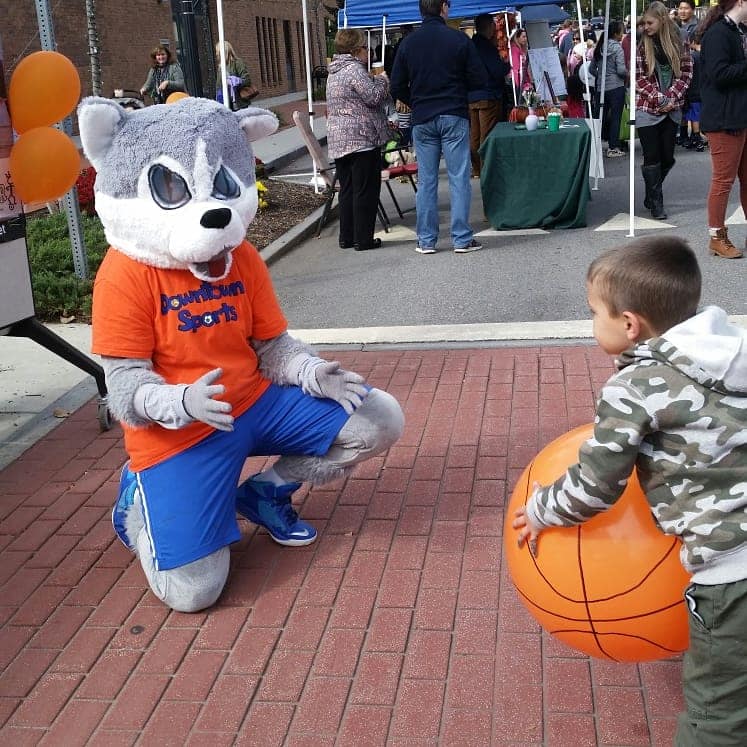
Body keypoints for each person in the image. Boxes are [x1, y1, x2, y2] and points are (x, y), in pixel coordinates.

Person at [512, 235, 747, 747]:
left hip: (733, 575)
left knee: (717, 718)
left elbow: (597, 484)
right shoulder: (735, 351)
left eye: (593, 311)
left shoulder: (636, 387)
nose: (591, 322)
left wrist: (542, 509)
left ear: (628, 323)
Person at [390, 0, 488, 255]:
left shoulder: (408, 44)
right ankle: (461, 238)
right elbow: (479, 77)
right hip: (453, 112)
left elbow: (396, 84)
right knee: (458, 177)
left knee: (427, 181)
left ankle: (426, 239)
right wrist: (460, 94)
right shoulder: (458, 39)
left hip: (423, 116)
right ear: (444, 7)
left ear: (421, 10)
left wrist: (416, 102)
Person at [326, 28, 390, 252]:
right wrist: (382, 80)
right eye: (365, 48)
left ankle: (347, 236)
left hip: (339, 139)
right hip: (361, 139)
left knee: (347, 189)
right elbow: (373, 97)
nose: (368, 52)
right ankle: (363, 239)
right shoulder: (354, 69)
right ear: (355, 50)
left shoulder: (334, 71)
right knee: (365, 190)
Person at [698, 0, 747, 259]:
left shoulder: (737, 31)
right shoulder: (718, 33)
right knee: (723, 181)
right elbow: (719, 74)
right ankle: (717, 236)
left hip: (739, 116)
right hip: (723, 119)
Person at [635, 1, 693, 220]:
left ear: (661, 20)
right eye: (643, 23)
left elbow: (686, 73)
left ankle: (651, 192)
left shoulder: (680, 43)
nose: (645, 27)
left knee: (668, 157)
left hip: (672, 107)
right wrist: (660, 98)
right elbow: (638, 77)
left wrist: (671, 97)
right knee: (652, 156)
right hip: (647, 108)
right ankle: (657, 203)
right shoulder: (642, 45)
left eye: (649, 23)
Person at [468, 13, 511, 178]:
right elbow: (496, 70)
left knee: (475, 135)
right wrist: (506, 67)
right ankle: (486, 170)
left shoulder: (470, 44)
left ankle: (477, 169)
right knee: (486, 135)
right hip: (488, 94)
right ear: (490, 27)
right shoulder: (485, 46)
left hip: (471, 96)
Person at [589, 21, 628, 157]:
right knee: (615, 118)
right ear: (616, 33)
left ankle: (595, 146)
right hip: (616, 87)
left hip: (600, 88)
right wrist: (628, 74)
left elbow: (591, 69)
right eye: (621, 32)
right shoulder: (617, 48)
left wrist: (601, 76)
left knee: (599, 117)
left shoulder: (599, 47)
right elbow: (621, 70)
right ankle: (613, 147)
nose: (622, 34)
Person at [681, 29, 706, 152]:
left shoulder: (692, 57)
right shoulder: (707, 55)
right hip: (705, 90)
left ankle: (697, 137)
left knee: (694, 115)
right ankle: (697, 136)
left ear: (691, 41)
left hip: (693, 90)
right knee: (699, 113)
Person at [214, 41, 254, 110]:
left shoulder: (237, 63)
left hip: (239, 103)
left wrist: (236, 81)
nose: (217, 54)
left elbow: (247, 80)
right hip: (226, 103)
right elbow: (218, 85)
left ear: (224, 51)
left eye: (218, 51)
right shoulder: (221, 67)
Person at [509, 27, 534, 105]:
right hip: (518, 82)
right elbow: (516, 69)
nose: (525, 39)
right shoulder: (514, 49)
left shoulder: (520, 49)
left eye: (526, 37)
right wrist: (520, 85)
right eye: (523, 37)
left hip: (523, 81)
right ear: (517, 38)